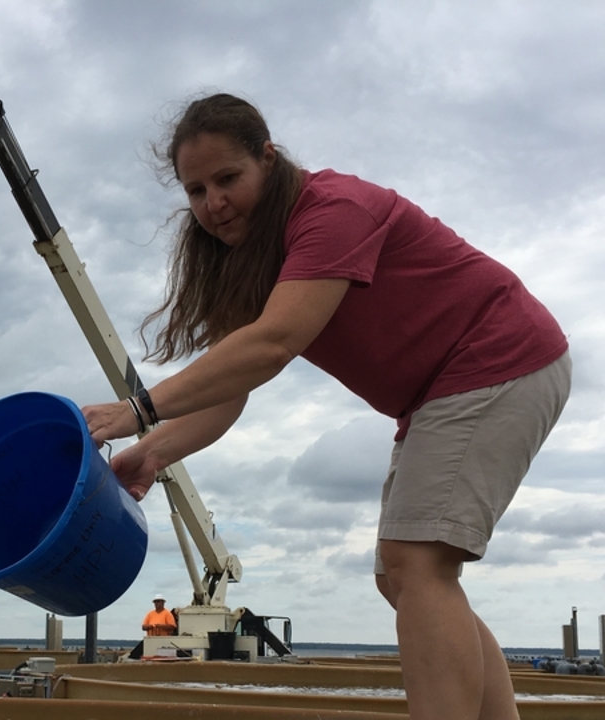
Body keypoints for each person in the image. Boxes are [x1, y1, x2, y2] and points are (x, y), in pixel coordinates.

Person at [82, 93, 570, 720]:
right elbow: (232, 387)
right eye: (196, 189)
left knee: (417, 564)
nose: (214, 204)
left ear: (269, 157)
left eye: (228, 179)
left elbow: (274, 342)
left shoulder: (333, 209)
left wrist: (136, 410)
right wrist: (150, 451)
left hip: (499, 357)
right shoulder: (246, 256)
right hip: (439, 393)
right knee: (401, 577)